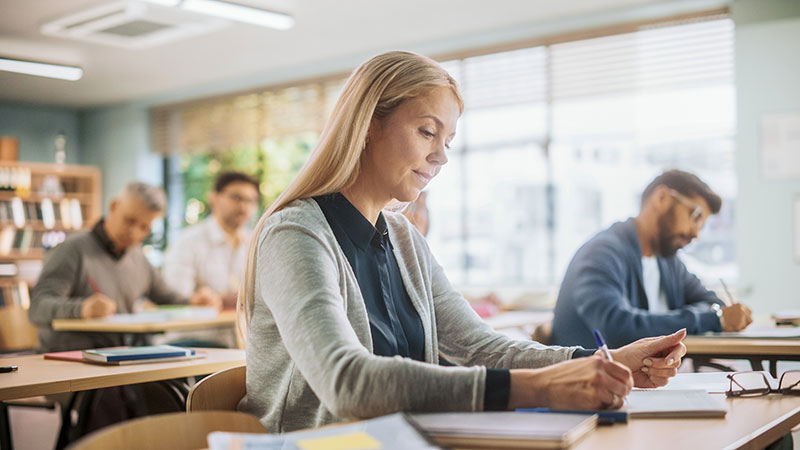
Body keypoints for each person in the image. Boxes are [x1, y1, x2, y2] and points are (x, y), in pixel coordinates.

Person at [237, 51, 687, 433]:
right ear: (369, 125)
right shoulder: (295, 233)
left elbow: (479, 346)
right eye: (427, 132)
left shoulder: (403, 239)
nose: (442, 156)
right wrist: (539, 387)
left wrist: (605, 362)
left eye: (448, 139)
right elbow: (346, 383)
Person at [551, 170, 753, 349]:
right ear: (662, 197)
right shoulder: (602, 254)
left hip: (642, 384)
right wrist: (711, 319)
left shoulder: (667, 261)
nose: (695, 233)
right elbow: (618, 329)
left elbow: (711, 303)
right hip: (593, 385)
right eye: (696, 216)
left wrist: (710, 317)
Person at [29, 182, 221, 352]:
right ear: (113, 206)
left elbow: (166, 297)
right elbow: (38, 307)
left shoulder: (138, 257)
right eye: (130, 220)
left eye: (145, 227)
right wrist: (82, 309)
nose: (134, 232)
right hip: (77, 362)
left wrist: (194, 301)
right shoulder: (71, 250)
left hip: (124, 357)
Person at [164, 171, 260, 309]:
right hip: (199, 329)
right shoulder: (187, 242)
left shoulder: (257, 243)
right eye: (236, 198)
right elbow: (176, 298)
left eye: (251, 200)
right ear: (214, 198)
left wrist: (221, 298)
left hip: (242, 330)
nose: (244, 207)